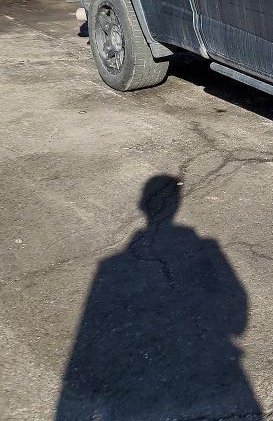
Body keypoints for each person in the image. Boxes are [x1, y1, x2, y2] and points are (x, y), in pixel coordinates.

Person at [55, 174, 262, 420]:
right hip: (211, 364)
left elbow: (89, 333)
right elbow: (237, 310)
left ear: (143, 205)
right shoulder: (206, 248)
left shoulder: (112, 266)